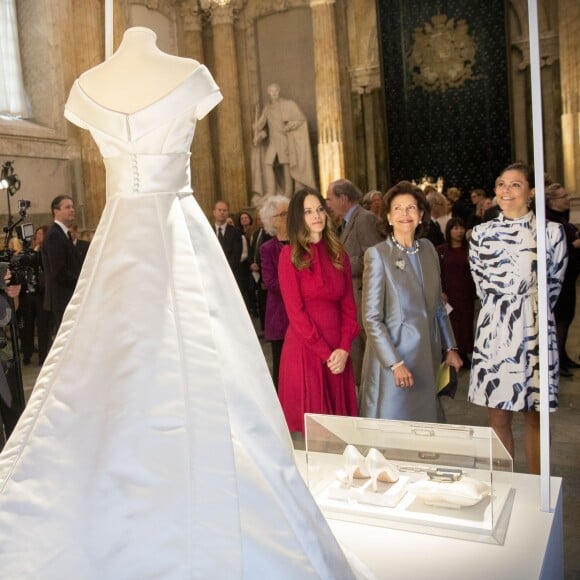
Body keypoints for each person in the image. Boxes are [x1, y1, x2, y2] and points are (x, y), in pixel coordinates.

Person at [0, 27, 363, 579]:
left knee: (145, 362)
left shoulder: (141, 80)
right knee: (122, 366)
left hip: (134, 236)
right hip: (163, 228)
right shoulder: (147, 80)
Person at [468, 163, 567, 474]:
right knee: (498, 415)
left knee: (536, 415)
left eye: (515, 185)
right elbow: (481, 285)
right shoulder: (481, 234)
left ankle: (540, 488)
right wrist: (506, 311)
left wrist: (530, 312)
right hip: (496, 328)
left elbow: (554, 285)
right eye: (501, 184)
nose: (505, 191)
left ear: (531, 191)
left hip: (535, 328)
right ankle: (505, 485)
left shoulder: (550, 232)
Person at [359, 181, 462, 422]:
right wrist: (395, 363)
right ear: (388, 217)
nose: (405, 214)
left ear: (421, 214)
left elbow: (437, 305)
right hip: (394, 360)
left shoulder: (428, 250)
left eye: (411, 208)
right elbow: (372, 319)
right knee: (394, 428)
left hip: (427, 357)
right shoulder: (378, 255)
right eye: (398, 209)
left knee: (424, 427)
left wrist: (451, 348)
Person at [278, 188, 359, 433]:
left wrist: (344, 348)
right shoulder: (289, 255)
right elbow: (296, 313)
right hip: (307, 352)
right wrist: (327, 354)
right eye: (308, 211)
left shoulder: (338, 254)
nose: (317, 216)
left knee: (342, 432)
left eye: (320, 209)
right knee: (313, 433)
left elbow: (349, 306)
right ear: (298, 218)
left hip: (339, 355)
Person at [326, 179, 383, 386]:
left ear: (343, 198)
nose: (328, 204)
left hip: (364, 297)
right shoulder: (344, 222)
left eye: (330, 198)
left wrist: (341, 264)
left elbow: (376, 257)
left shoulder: (365, 219)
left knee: (370, 351)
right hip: (352, 297)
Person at [252, 83, 316, 196]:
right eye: (271, 91)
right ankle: (270, 191)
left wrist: (289, 127)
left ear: (279, 91)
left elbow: (299, 119)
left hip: (284, 139)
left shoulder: (287, 104)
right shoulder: (267, 108)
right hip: (273, 140)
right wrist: (256, 126)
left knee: (286, 164)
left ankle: (288, 192)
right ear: (269, 93)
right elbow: (261, 122)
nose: (274, 93)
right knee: (267, 163)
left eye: (276, 91)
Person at [545, 183, 580, 376]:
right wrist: (575, 244)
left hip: (570, 276)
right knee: (560, 318)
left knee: (568, 316)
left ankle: (563, 355)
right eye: (564, 196)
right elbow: (555, 249)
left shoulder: (561, 218)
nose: (568, 199)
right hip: (559, 277)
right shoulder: (549, 220)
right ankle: (557, 361)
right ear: (553, 201)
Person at [258, 195, 290, 389]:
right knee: (281, 366)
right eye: (284, 214)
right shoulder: (267, 249)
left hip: (304, 315)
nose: (289, 217)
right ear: (272, 221)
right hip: (280, 315)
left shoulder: (303, 243)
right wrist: (298, 288)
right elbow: (270, 281)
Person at [436, 218, 476, 365]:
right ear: (449, 230)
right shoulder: (441, 251)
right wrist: (440, 291)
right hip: (448, 294)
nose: (459, 231)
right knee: (451, 323)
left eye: (461, 228)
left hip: (466, 293)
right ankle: (450, 350)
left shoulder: (470, 250)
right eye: (455, 228)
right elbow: (435, 272)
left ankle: (464, 352)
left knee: (466, 322)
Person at [41, 195, 82, 331]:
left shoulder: (63, 233)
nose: (72, 210)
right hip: (62, 299)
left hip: (68, 297)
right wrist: (82, 283)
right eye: (67, 207)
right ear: (56, 211)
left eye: (72, 207)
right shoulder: (54, 235)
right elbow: (59, 272)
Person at [18, 226, 51, 366]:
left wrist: (36, 250)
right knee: (27, 326)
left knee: (43, 326)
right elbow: (22, 262)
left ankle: (44, 356)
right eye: (37, 234)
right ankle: (27, 353)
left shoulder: (47, 250)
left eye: (41, 234)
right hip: (27, 294)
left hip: (41, 293)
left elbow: (39, 262)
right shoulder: (29, 250)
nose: (38, 236)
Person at [213, 199, 242, 282]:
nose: (222, 212)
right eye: (219, 210)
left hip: (230, 275)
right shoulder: (208, 231)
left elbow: (236, 256)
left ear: (228, 213)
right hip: (212, 275)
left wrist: (224, 271)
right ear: (214, 212)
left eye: (225, 210)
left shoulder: (236, 232)